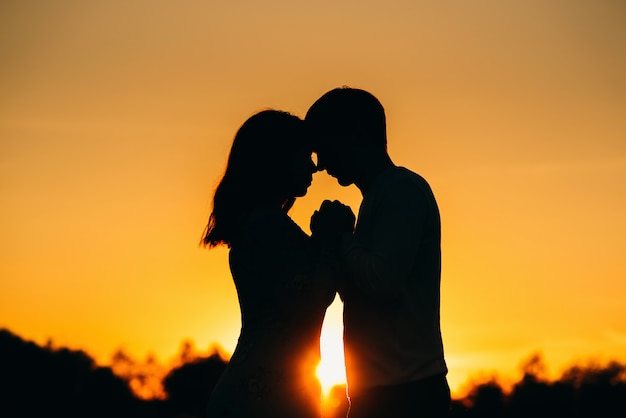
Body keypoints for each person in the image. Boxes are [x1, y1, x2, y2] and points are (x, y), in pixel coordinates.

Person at [306, 87, 451, 418]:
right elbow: (361, 292)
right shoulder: (379, 197)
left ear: (355, 137)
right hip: (383, 391)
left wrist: (341, 238)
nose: (321, 163)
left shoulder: (402, 191)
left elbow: (382, 282)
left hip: (405, 395)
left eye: (324, 147)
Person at [201, 110, 352, 418]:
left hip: (270, 388)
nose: (314, 166)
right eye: (305, 155)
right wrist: (328, 239)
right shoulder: (266, 225)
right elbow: (309, 301)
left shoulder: (266, 223)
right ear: (278, 158)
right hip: (264, 396)